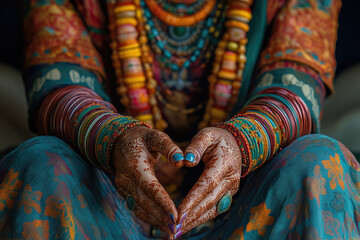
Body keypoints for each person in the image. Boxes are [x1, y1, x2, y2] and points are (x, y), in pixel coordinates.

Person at [1, 0, 358, 239]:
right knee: (39, 161)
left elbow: (296, 84)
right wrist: (114, 139)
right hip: (105, 203)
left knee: (321, 162)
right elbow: (59, 82)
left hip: (249, 206)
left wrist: (240, 143)